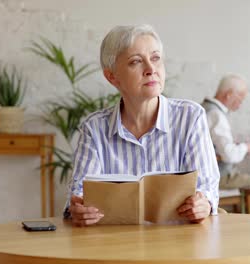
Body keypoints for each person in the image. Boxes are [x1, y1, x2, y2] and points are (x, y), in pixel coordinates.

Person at [66, 24, 220, 226]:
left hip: (179, 248)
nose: (151, 69)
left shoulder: (190, 117)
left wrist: (204, 204)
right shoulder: (94, 129)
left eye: (156, 58)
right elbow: (79, 193)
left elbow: (207, 187)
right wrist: (79, 209)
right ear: (112, 76)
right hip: (115, 248)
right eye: (136, 61)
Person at [201, 74, 250, 190]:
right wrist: (246, 147)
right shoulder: (216, 115)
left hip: (204, 174)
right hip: (219, 176)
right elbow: (229, 155)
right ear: (229, 95)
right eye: (240, 99)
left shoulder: (203, 108)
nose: (240, 104)